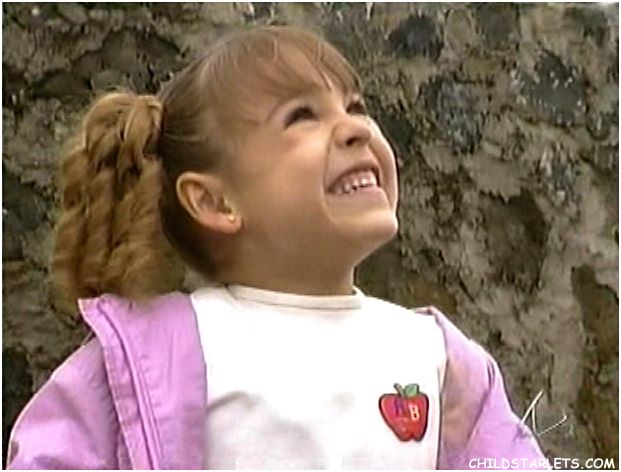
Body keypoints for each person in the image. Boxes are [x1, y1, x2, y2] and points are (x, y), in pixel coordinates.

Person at [7, 26, 548, 470]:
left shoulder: (437, 358)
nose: (356, 129)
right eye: (303, 116)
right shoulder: (155, 354)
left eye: (356, 106)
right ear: (215, 201)